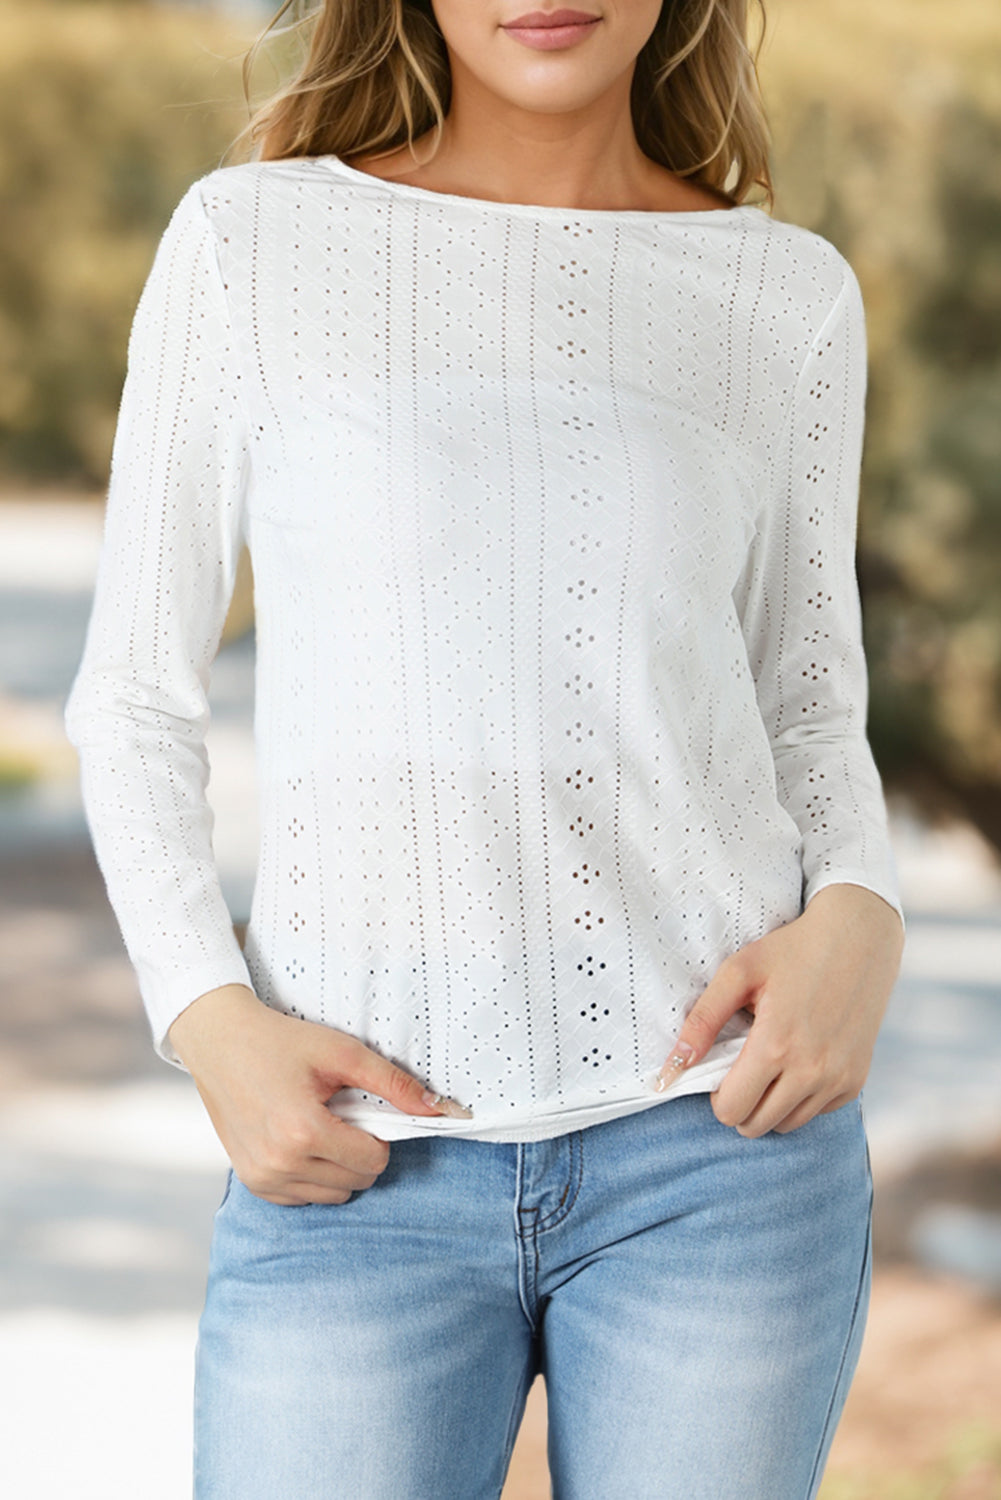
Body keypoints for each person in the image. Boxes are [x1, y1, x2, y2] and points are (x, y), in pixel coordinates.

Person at [65, 1, 906, 1495]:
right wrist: (206, 1017)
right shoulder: (250, 247)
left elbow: (806, 700)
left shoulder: (782, 296)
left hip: (716, 1150)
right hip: (355, 1162)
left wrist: (860, 912)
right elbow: (132, 694)